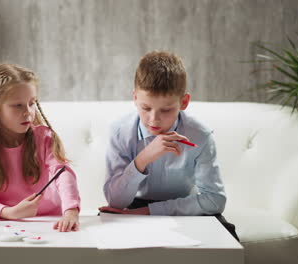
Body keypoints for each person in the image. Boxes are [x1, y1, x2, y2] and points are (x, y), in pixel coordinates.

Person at [99, 51, 238, 240]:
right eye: (146, 108)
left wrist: (150, 211)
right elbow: (116, 201)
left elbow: (215, 199)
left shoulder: (200, 135)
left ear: (184, 102)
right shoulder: (119, 132)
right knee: (105, 232)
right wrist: (144, 158)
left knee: (226, 235)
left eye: (166, 110)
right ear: (135, 98)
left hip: (184, 207)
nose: (154, 119)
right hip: (134, 204)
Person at [0, 63, 80, 232]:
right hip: (7, 227)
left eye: (32, 103)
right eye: (17, 105)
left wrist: (71, 211)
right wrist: (10, 212)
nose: (28, 112)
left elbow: (63, 173)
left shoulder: (44, 138)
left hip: (53, 224)